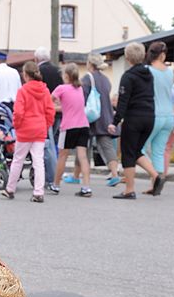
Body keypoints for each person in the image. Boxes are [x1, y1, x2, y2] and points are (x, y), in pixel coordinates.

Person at [108, 43, 162, 199]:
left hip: (134, 118)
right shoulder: (149, 74)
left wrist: (115, 121)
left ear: (127, 57)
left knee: (128, 154)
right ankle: (155, 175)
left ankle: (129, 190)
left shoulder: (128, 76)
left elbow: (123, 101)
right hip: (150, 117)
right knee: (137, 151)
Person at [1, 61, 55, 202]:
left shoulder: (23, 91)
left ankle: (10, 189)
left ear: (25, 75)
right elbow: (50, 111)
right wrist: (46, 124)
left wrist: (16, 126)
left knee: (18, 159)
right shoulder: (45, 90)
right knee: (38, 161)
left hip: (25, 129)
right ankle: (38, 192)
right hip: (40, 129)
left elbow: (18, 112)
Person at [51, 63, 93, 197]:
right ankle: (86, 186)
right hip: (83, 125)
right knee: (82, 156)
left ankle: (56, 185)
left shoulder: (61, 88)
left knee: (62, 155)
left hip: (68, 126)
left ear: (66, 76)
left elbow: (49, 102)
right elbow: (70, 106)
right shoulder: (80, 88)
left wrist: (54, 105)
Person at [81, 53, 119, 186]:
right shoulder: (106, 79)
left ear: (90, 64)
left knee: (84, 147)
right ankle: (115, 174)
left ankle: (78, 175)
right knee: (107, 146)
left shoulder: (87, 78)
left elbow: (83, 98)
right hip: (105, 116)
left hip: (90, 116)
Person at [143, 42, 174, 181]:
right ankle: (155, 183)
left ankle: (155, 176)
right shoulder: (170, 72)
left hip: (153, 114)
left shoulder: (146, 70)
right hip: (169, 115)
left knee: (139, 148)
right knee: (158, 152)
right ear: (163, 55)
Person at [35, 46, 60, 190]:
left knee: (47, 144)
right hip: (58, 110)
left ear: (37, 58)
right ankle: (52, 174)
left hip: (44, 111)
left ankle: (51, 177)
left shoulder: (40, 72)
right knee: (53, 143)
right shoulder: (57, 70)